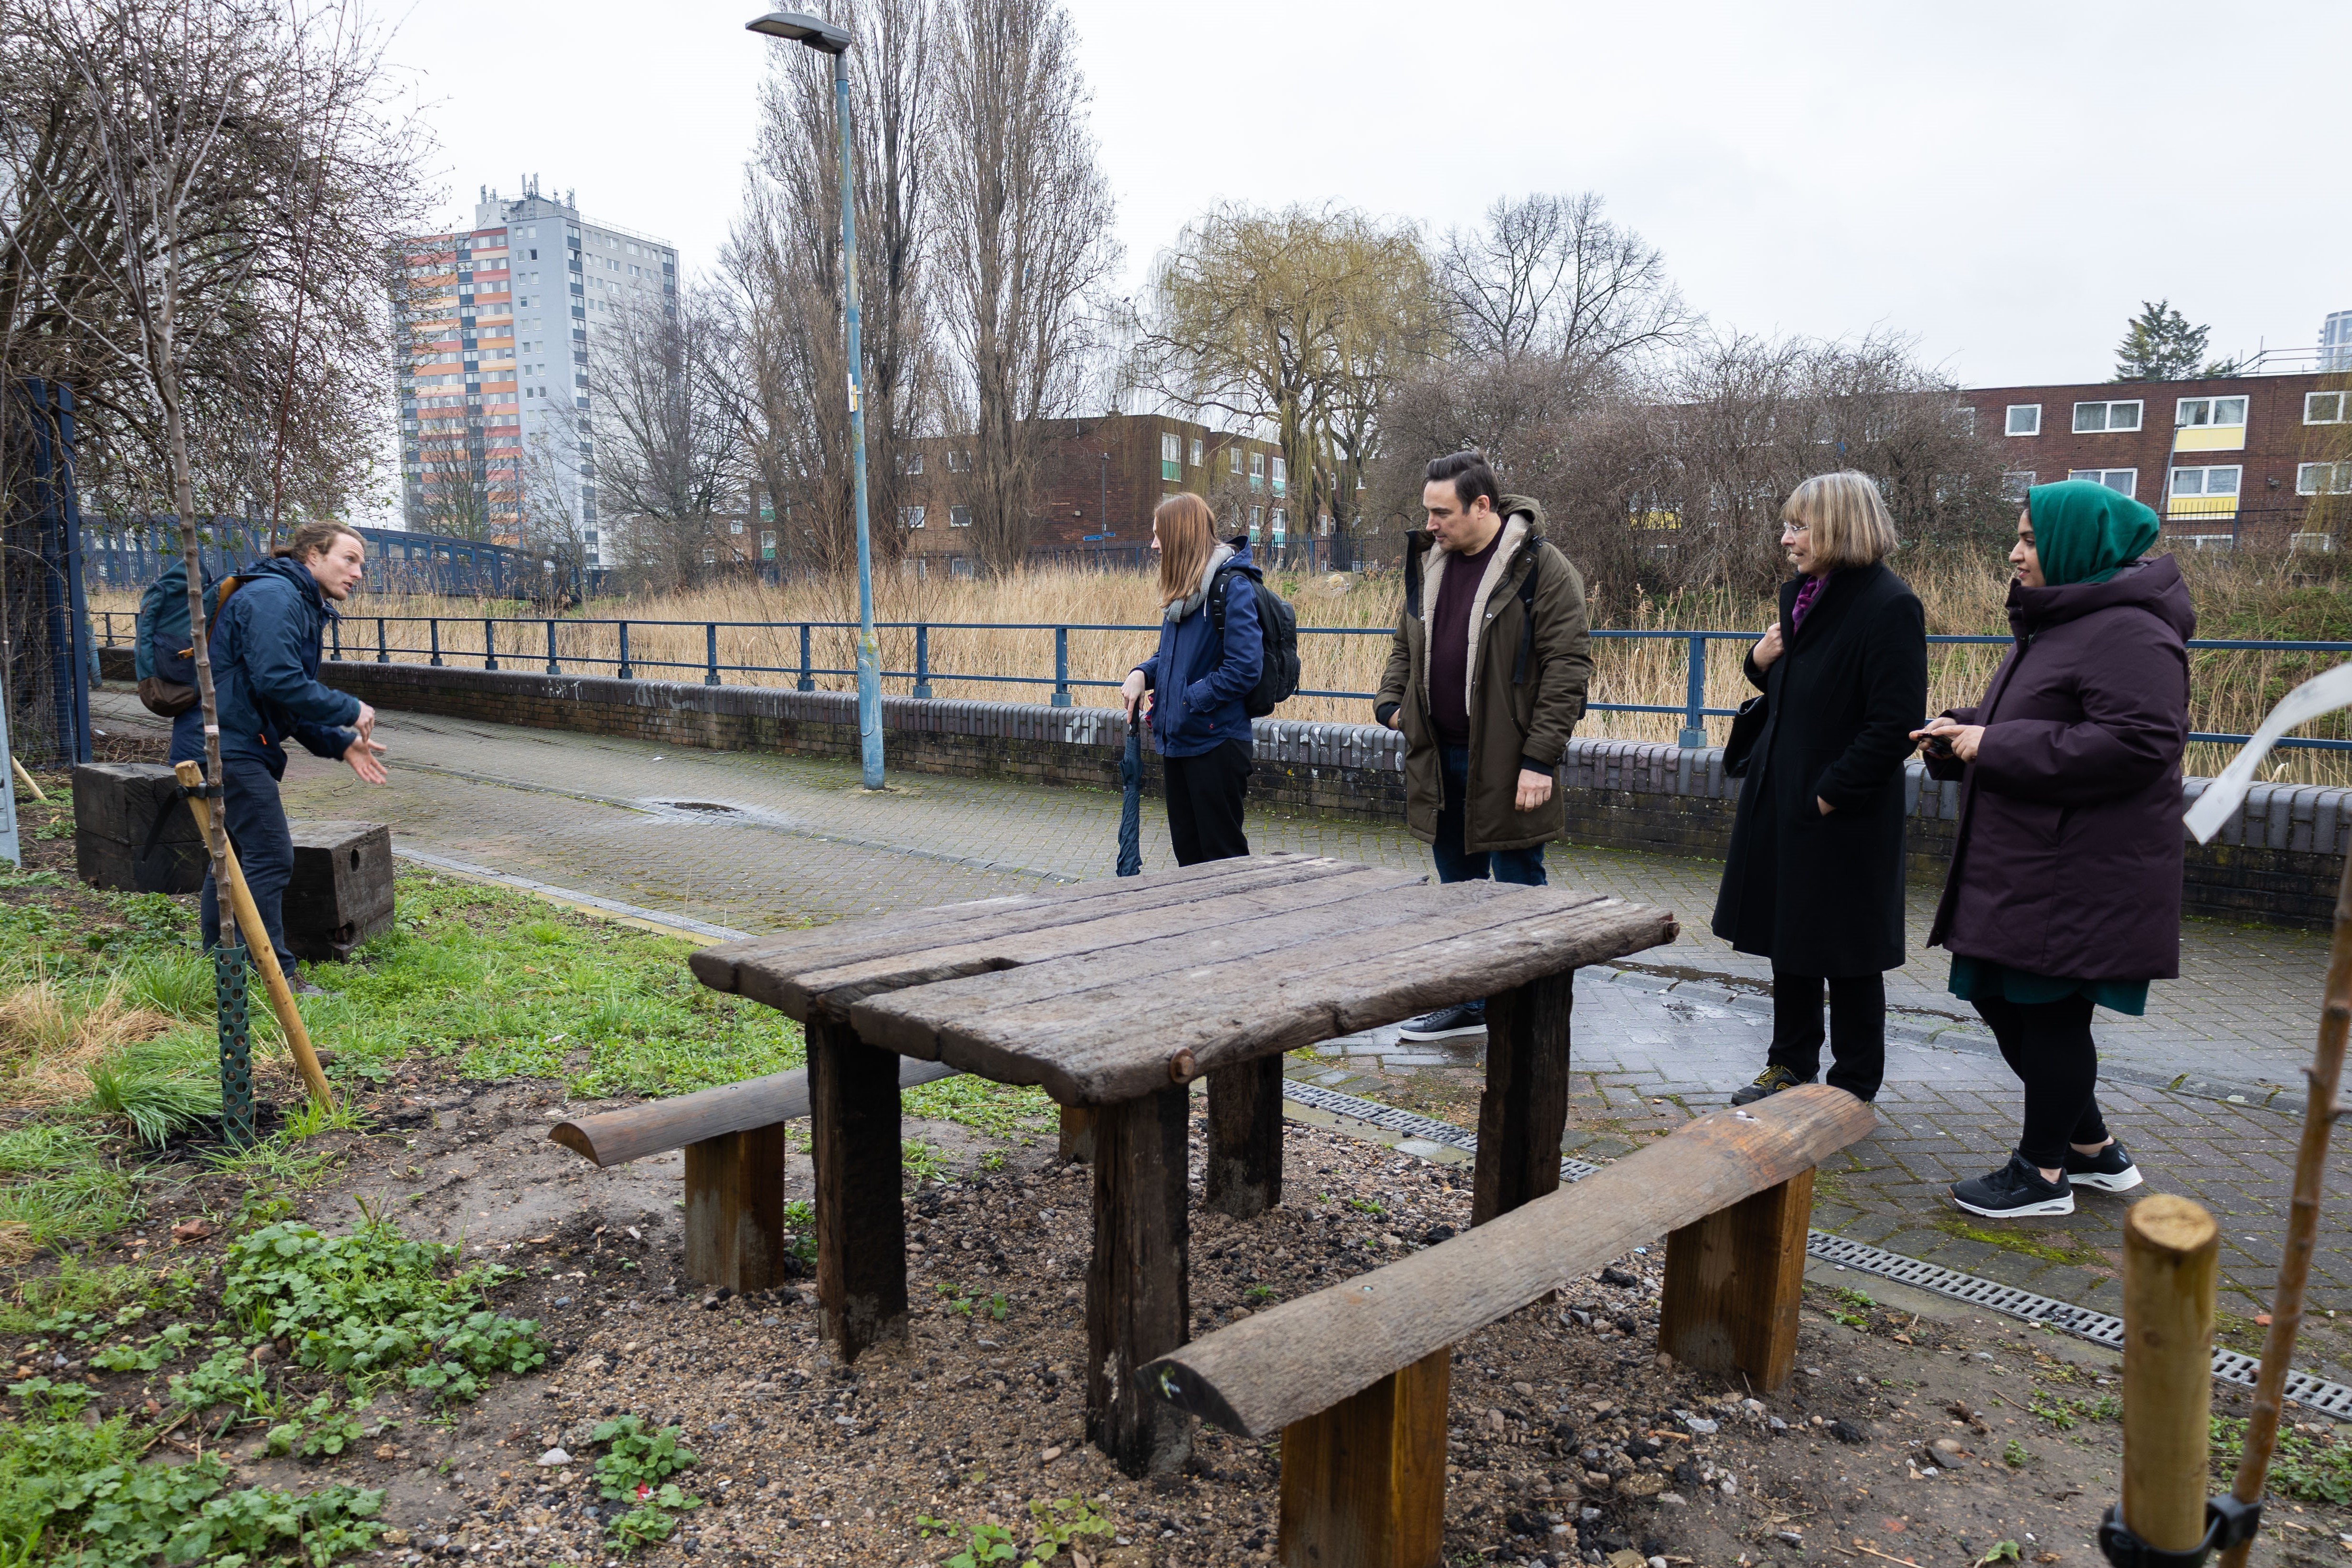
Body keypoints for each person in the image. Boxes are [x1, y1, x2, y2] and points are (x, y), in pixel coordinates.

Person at [1915, 480, 2188, 1217]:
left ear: (2077, 544)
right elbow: (2042, 719)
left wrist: (1993, 742)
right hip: (2030, 865)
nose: (2015, 550)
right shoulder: (2063, 622)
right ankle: (2094, 1151)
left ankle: (2040, 1176)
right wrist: (1962, 730)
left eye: (2031, 538)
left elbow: (2140, 744)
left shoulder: (2130, 631)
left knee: (2052, 1015)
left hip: (2076, 872)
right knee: (2003, 1001)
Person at [1713, 473, 1927, 1107]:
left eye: (1799, 526)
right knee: (1791, 939)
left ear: (1840, 525)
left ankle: (1854, 1081)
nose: (1786, 540)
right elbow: (1794, 688)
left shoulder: (1888, 604)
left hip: (1843, 811)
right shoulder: (1807, 596)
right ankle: (1788, 1063)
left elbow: (1894, 723)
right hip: (1785, 797)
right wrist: (1758, 661)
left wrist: (1828, 794)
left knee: (1849, 950)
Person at [1374, 450, 1592, 1041]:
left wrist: (1538, 759)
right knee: (1458, 892)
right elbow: (1405, 642)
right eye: (1426, 512)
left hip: (1506, 760)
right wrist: (1391, 704)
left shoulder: (1541, 568)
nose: (1430, 524)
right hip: (1437, 756)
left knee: (1518, 887)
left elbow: (1567, 669)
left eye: (1441, 512)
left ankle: (1527, 1009)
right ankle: (1472, 1004)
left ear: (1482, 506)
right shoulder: (1431, 563)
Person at [169, 520, 389, 991]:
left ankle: (221, 967)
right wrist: (350, 708)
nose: (357, 572)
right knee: (269, 855)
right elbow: (280, 680)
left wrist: (339, 741)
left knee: (231, 857)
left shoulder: (293, 599)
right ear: (312, 555)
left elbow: (280, 701)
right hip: (224, 744)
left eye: (361, 565)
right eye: (348, 559)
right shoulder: (277, 597)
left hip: (223, 740)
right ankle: (276, 975)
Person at [1119, 492, 1263, 866]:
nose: (1153, 545)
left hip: (1215, 743)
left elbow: (1245, 667)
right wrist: (1141, 673)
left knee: (1223, 861)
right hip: (1180, 741)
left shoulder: (1232, 587)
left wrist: (1189, 699)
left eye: (1158, 535)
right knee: (1189, 859)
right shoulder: (1182, 595)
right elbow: (1169, 659)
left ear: (1180, 535)